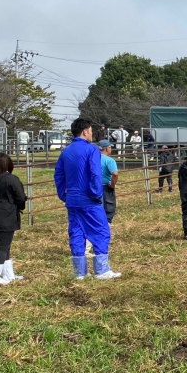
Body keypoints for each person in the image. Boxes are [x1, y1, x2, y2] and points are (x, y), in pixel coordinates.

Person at [54, 117, 121, 280]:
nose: (92, 134)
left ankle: (79, 272)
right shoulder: (91, 150)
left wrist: (64, 195)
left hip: (72, 200)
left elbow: (58, 175)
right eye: (91, 131)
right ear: (85, 132)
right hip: (89, 200)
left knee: (76, 233)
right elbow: (95, 173)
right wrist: (96, 193)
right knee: (101, 231)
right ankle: (102, 270)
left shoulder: (66, 151)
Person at [0, 153, 26, 285]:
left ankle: (9, 275)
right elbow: (20, 197)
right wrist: (20, 206)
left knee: (6, 247)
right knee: (3, 247)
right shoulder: (11, 179)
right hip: (6, 217)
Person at [99, 140, 119, 223]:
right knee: (108, 207)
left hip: (93, 186)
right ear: (107, 149)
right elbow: (115, 174)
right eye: (110, 147)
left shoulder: (92, 159)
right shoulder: (109, 160)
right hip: (106, 187)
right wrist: (113, 185)